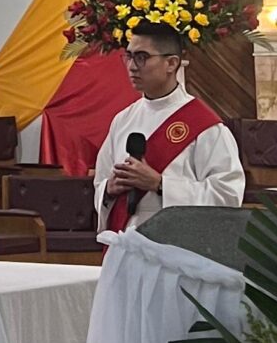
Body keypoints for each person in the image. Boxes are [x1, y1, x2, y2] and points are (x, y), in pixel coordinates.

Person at [92, 25, 245, 236]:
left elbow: (227, 196)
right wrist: (109, 189)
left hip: (179, 248)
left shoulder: (206, 126)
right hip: (127, 244)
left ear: (171, 63)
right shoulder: (123, 120)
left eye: (142, 57)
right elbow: (100, 181)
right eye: (129, 56)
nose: (132, 66)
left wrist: (160, 184)